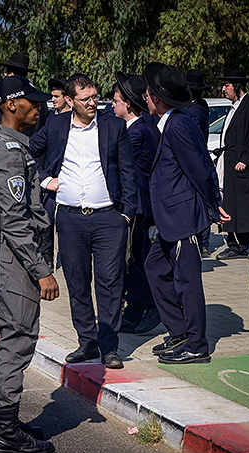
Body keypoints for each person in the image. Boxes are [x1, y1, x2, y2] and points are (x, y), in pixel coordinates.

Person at [30, 74, 137, 369]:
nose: (93, 103)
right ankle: (86, 343)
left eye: (95, 97)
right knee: (77, 282)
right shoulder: (55, 125)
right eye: (86, 98)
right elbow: (27, 152)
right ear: (70, 100)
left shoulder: (113, 126)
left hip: (108, 218)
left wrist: (126, 214)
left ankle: (110, 347)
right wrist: (45, 180)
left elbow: (128, 172)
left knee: (110, 283)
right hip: (70, 218)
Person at [0, 75, 58, 453]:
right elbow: (15, 221)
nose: (39, 107)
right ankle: (5, 434)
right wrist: (41, 269)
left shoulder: (9, 147)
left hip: (9, 255)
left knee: (16, 335)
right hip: (14, 259)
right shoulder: (8, 152)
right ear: (12, 105)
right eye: (32, 102)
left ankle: (8, 423)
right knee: (17, 339)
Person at [143, 62, 230, 365]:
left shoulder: (178, 124)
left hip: (182, 217)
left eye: (148, 92)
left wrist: (213, 203)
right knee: (155, 269)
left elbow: (198, 166)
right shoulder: (170, 122)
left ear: (156, 97)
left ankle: (197, 344)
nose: (144, 96)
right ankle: (180, 331)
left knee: (187, 281)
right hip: (171, 218)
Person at [111, 73, 160, 335]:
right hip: (138, 205)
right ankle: (135, 310)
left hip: (136, 206)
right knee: (137, 259)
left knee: (127, 262)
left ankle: (151, 303)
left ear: (128, 104)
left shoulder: (138, 132)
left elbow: (116, 163)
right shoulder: (141, 128)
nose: (112, 105)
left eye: (116, 101)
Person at [215, 69, 249, 260]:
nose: (223, 89)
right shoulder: (233, 108)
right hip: (229, 164)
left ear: (237, 87)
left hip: (245, 168)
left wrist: (246, 159)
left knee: (248, 207)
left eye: (227, 85)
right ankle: (236, 245)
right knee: (231, 205)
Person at [184, 69, 212, 257]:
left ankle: (202, 241)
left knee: (200, 200)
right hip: (198, 157)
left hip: (196, 158)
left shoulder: (195, 109)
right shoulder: (198, 105)